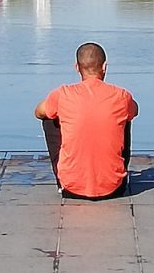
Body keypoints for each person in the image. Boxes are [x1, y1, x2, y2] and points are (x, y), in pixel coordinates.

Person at [34, 43, 138, 200]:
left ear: (77, 67)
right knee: (125, 116)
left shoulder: (63, 94)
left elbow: (38, 112)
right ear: (104, 66)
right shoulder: (121, 95)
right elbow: (135, 110)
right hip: (115, 188)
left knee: (49, 117)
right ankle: (114, 171)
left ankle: (64, 177)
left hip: (72, 188)